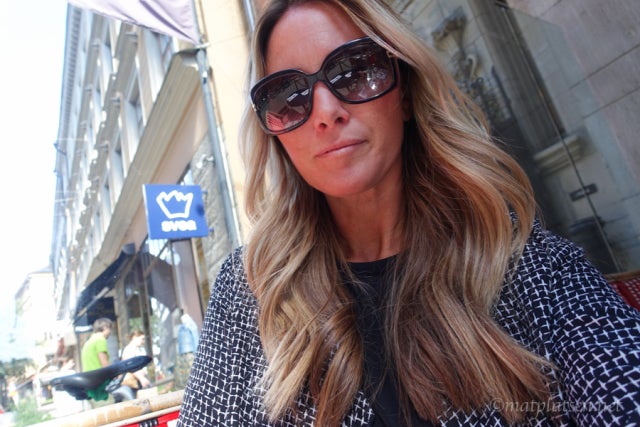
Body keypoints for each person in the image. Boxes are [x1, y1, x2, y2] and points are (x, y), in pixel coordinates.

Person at [178, 1, 640, 426]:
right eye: (287, 96)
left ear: (404, 91)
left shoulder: (518, 257)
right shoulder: (251, 288)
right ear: (275, 132)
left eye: (355, 70)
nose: (325, 112)